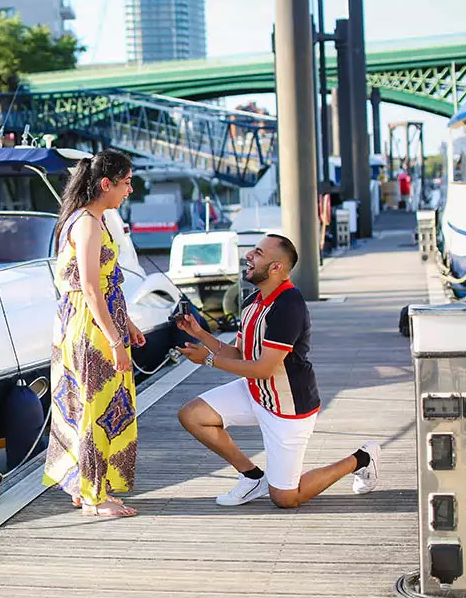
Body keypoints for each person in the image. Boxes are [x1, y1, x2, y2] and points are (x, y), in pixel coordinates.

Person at [175, 234, 380, 508]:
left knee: (286, 498)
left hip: (288, 406)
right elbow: (239, 355)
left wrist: (208, 361)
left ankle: (362, 459)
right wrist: (200, 334)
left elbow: (262, 369)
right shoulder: (253, 301)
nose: (249, 255)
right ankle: (252, 478)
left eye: (257, 253)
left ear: (276, 268)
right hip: (256, 393)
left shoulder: (288, 306)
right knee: (192, 415)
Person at [41, 150, 147, 518]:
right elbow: (89, 287)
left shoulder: (95, 220)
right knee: (93, 407)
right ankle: (94, 498)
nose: (130, 190)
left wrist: (127, 323)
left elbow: (105, 283)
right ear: (106, 184)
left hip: (96, 321)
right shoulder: (86, 223)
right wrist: (116, 340)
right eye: (126, 182)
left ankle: (88, 486)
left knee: (91, 403)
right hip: (89, 326)